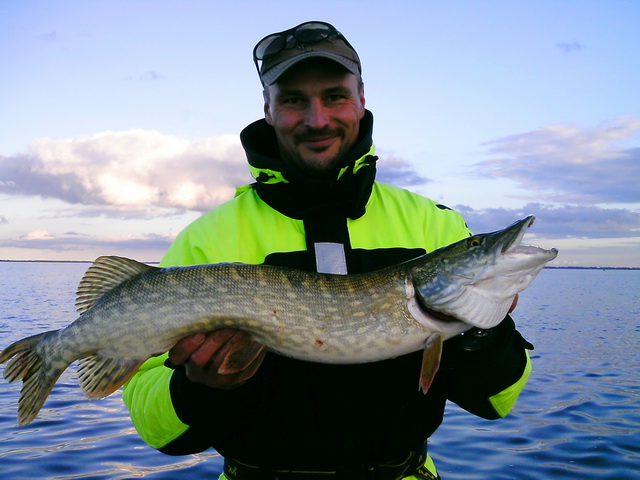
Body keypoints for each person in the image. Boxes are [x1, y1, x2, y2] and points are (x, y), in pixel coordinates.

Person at [123, 21, 533, 480]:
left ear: (361, 99)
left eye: (334, 96)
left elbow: (498, 401)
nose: (317, 119)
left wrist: (481, 331)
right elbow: (155, 428)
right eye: (294, 99)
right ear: (269, 110)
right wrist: (198, 388)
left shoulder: (433, 224)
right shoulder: (204, 239)